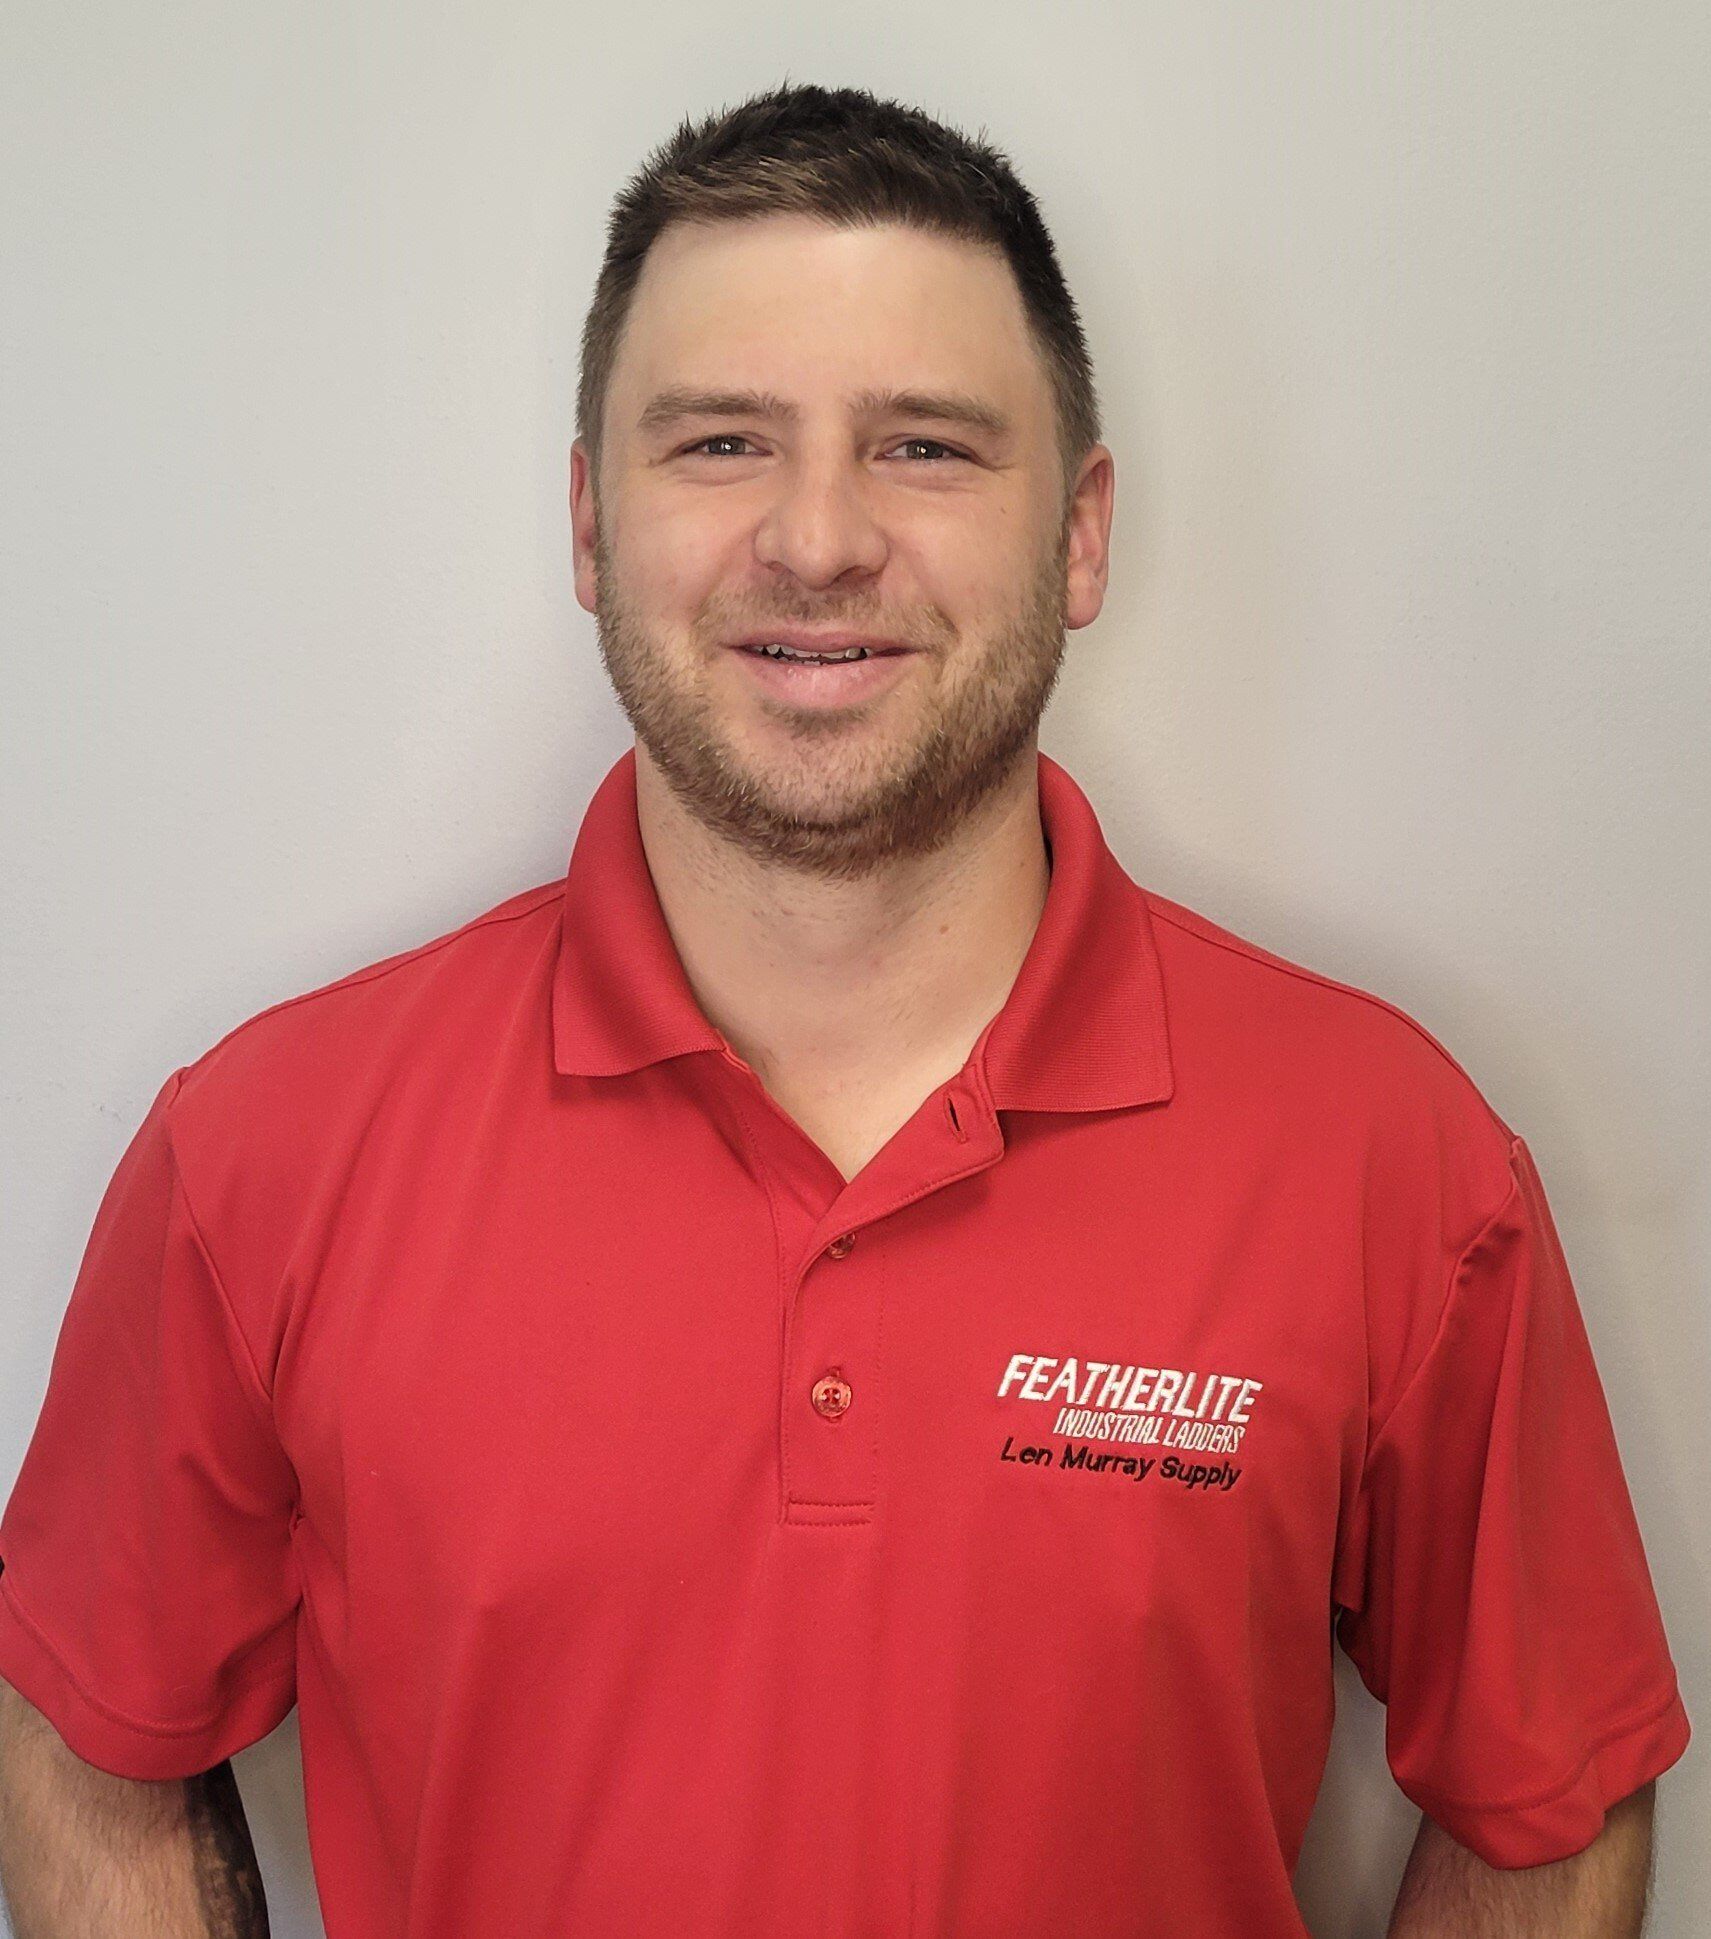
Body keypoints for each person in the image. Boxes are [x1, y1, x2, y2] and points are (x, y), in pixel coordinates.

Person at [0, 81, 1690, 1939]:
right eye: (721, 441)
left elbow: (1555, 1800)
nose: (817, 540)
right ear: (590, 522)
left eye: (929, 449)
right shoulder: (267, 1154)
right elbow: (87, 1733)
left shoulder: (1390, 1158)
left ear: (1082, 536)